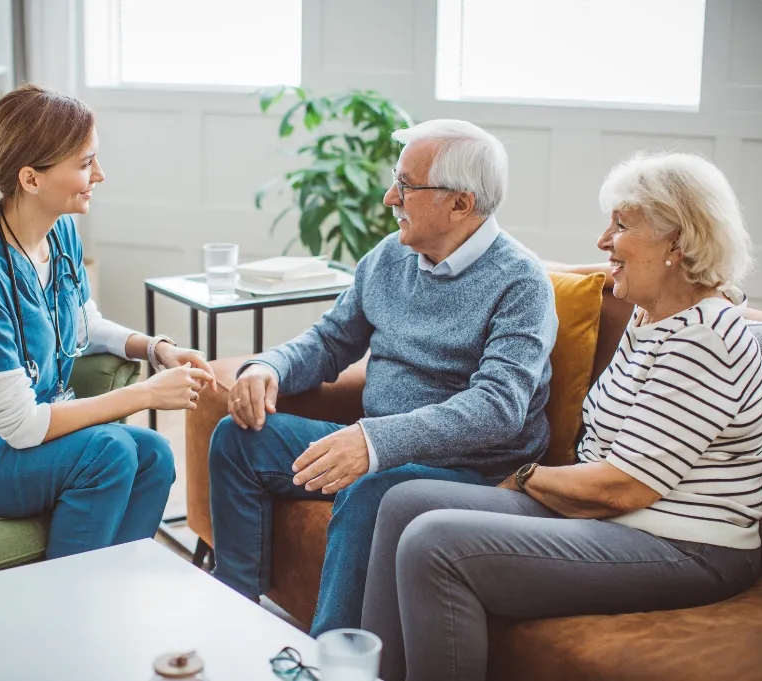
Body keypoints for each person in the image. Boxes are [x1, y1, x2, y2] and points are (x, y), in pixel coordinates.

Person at [361, 151, 762, 681]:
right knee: (403, 500)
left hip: (685, 547)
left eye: (621, 226)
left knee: (433, 543)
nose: (604, 242)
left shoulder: (705, 339)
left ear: (678, 242)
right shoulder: (652, 315)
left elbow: (623, 488)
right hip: (612, 519)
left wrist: (529, 477)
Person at [208, 119, 559, 635]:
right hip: (376, 449)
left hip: (472, 473)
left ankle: (333, 663)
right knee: (242, 438)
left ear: (461, 203)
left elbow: (498, 408)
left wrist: (375, 443)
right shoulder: (391, 256)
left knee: (374, 490)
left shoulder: (522, 283)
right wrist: (269, 366)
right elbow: (330, 341)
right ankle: (235, 620)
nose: (390, 195)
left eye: (408, 186)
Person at [0, 85, 216, 559]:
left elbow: (79, 325)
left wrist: (156, 349)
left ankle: (112, 593)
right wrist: (146, 393)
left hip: (0, 448)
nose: (100, 174)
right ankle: (65, 613)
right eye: (84, 164)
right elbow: (21, 426)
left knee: (153, 457)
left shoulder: (59, 232)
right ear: (31, 179)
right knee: (109, 452)